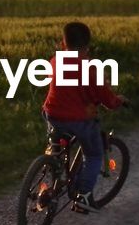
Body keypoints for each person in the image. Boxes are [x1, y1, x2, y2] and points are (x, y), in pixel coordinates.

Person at [42, 21, 128, 214]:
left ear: (63, 43)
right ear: (88, 45)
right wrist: (117, 101)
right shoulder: (91, 69)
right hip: (78, 120)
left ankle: (54, 155)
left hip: (52, 114)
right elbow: (106, 99)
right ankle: (84, 197)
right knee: (95, 154)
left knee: (58, 136)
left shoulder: (55, 61)